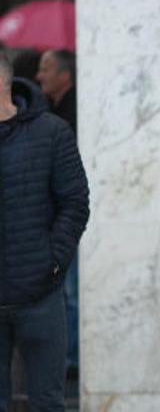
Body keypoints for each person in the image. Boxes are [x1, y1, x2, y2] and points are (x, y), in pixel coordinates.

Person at [0, 53, 90, 410]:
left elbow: (75, 203)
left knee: (47, 403)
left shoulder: (51, 132)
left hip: (39, 295)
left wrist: (52, 261)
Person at [34, 48, 81, 382]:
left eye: (46, 69)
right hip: (50, 219)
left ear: (65, 74)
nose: (40, 76)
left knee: (71, 294)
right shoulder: (45, 111)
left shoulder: (75, 111)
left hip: (69, 219)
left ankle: (71, 361)